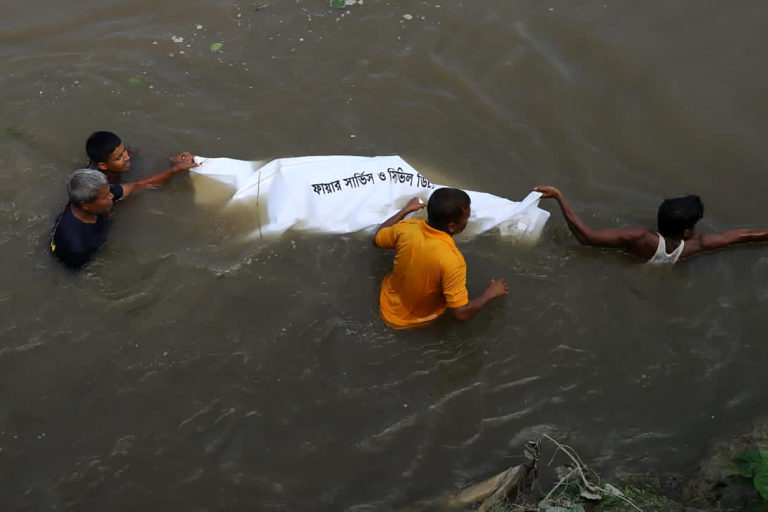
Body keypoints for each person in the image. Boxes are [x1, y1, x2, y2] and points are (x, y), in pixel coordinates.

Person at [373, 188, 509, 329]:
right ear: (451, 226)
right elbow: (461, 314)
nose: (468, 219)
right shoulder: (453, 261)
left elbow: (377, 239)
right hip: (416, 321)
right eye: (466, 217)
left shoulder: (407, 228)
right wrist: (490, 293)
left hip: (386, 300)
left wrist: (405, 210)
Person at [534, 186, 768, 264]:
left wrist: (559, 197)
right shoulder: (696, 246)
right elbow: (745, 235)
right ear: (687, 231)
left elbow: (586, 237)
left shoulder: (640, 237)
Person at [85, 130, 196, 186]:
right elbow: (137, 186)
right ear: (103, 166)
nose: (127, 157)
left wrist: (172, 159)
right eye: (119, 158)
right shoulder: (102, 183)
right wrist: (174, 170)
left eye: (124, 151)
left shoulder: (122, 152)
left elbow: (148, 151)